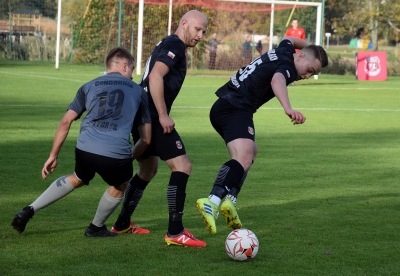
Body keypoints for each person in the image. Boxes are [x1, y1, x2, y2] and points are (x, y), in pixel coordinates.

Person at [11, 47, 152, 237]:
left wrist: (53, 155)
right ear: (124, 65)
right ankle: (95, 227)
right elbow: (146, 138)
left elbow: (66, 121)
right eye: (132, 69)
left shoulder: (88, 85)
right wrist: (128, 158)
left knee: (78, 177)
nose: (132, 76)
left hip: (85, 148)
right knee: (121, 184)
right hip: (116, 152)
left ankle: (29, 209)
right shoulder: (139, 91)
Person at [196, 36, 328, 234]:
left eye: (313, 74)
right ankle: (212, 201)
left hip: (227, 105)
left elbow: (288, 39)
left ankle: (230, 201)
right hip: (235, 107)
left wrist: (310, 47)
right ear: (300, 57)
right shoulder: (289, 66)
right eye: (310, 70)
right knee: (245, 155)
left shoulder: (285, 50)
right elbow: (277, 80)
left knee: (250, 153)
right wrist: (288, 108)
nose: (307, 76)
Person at [110, 10, 209, 247]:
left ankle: (122, 224)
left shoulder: (167, 42)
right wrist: (163, 115)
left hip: (140, 113)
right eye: (197, 29)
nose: (201, 35)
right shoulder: (174, 43)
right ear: (184, 24)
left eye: (204, 31)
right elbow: (155, 77)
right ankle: (175, 232)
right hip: (152, 115)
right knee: (182, 166)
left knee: (147, 169)